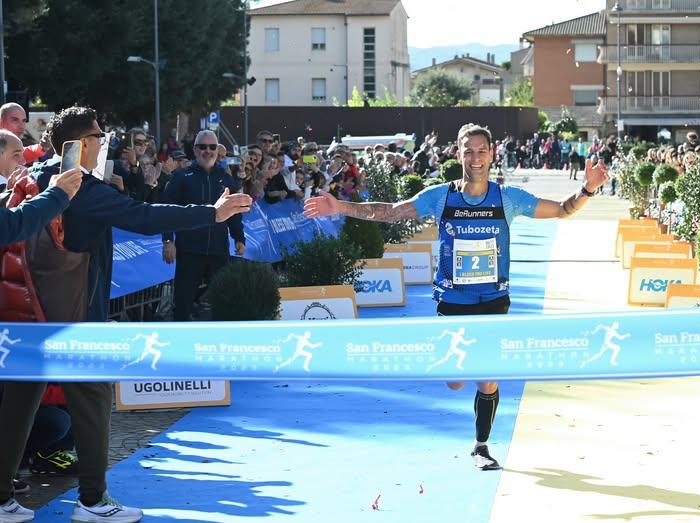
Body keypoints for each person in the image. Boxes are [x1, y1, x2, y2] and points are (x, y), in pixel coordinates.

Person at [304, 123, 609, 471]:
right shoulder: (441, 196)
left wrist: (588, 188)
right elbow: (390, 211)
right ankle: (456, 371)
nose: (475, 157)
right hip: (453, 301)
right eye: (469, 150)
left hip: (494, 299)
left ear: (492, 154)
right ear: (458, 153)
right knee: (455, 380)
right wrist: (340, 207)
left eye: (482, 150)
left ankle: (481, 445)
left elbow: (563, 210)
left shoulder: (508, 198)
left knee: (488, 373)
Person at [0, 106, 252, 523]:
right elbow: (145, 216)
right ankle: (94, 501)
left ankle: (3, 498)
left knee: (20, 402)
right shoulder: (80, 186)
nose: (105, 142)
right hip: (77, 316)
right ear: (81, 144)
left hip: (31, 314)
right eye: (99, 136)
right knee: (95, 399)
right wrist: (213, 213)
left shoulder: (38, 174)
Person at [161, 130, 246, 321]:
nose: (208, 151)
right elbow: (167, 211)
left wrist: (239, 237)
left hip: (218, 251)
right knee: (183, 306)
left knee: (223, 305)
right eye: (203, 147)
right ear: (195, 149)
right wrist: (168, 240)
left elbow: (234, 212)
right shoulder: (181, 176)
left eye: (212, 147)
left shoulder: (225, 178)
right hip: (189, 251)